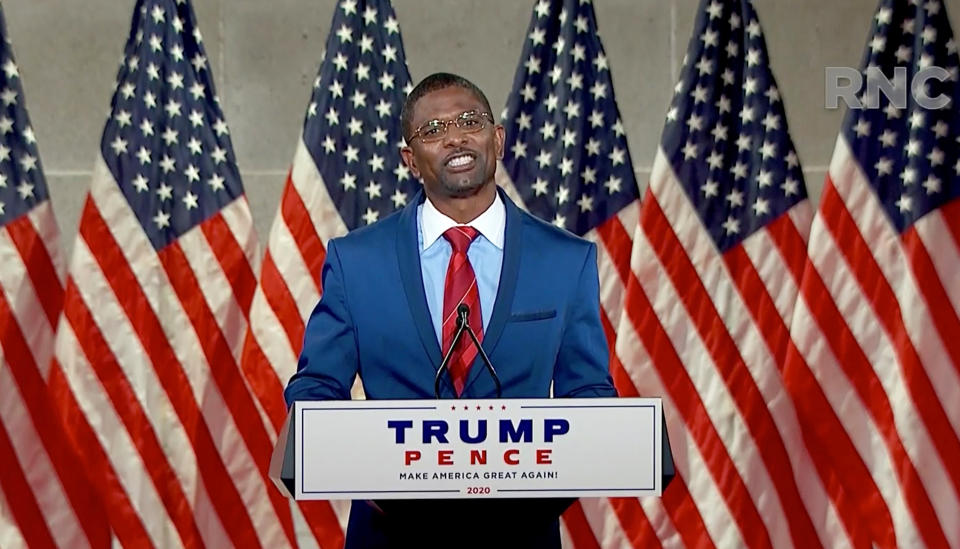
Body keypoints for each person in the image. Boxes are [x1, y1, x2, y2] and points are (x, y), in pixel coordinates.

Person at [285, 72, 617, 548]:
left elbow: (588, 392)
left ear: (497, 139)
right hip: (389, 532)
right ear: (410, 160)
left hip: (520, 534)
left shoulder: (566, 259)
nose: (456, 137)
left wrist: (547, 481)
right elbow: (315, 386)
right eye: (434, 131)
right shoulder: (356, 261)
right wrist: (362, 468)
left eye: (470, 121)